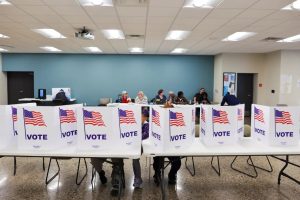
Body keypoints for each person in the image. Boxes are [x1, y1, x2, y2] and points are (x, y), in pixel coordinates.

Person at [153, 103, 181, 186]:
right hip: (159, 147)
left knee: (177, 162)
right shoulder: (157, 120)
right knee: (157, 161)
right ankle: (157, 174)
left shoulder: (176, 123)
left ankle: (171, 175)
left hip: (172, 147)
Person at [132, 109, 149, 188]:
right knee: (133, 158)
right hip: (133, 143)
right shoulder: (135, 123)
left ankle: (138, 178)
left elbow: (145, 135)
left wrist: (135, 138)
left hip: (142, 144)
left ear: (145, 118)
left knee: (135, 158)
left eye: (141, 116)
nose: (139, 117)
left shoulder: (146, 124)